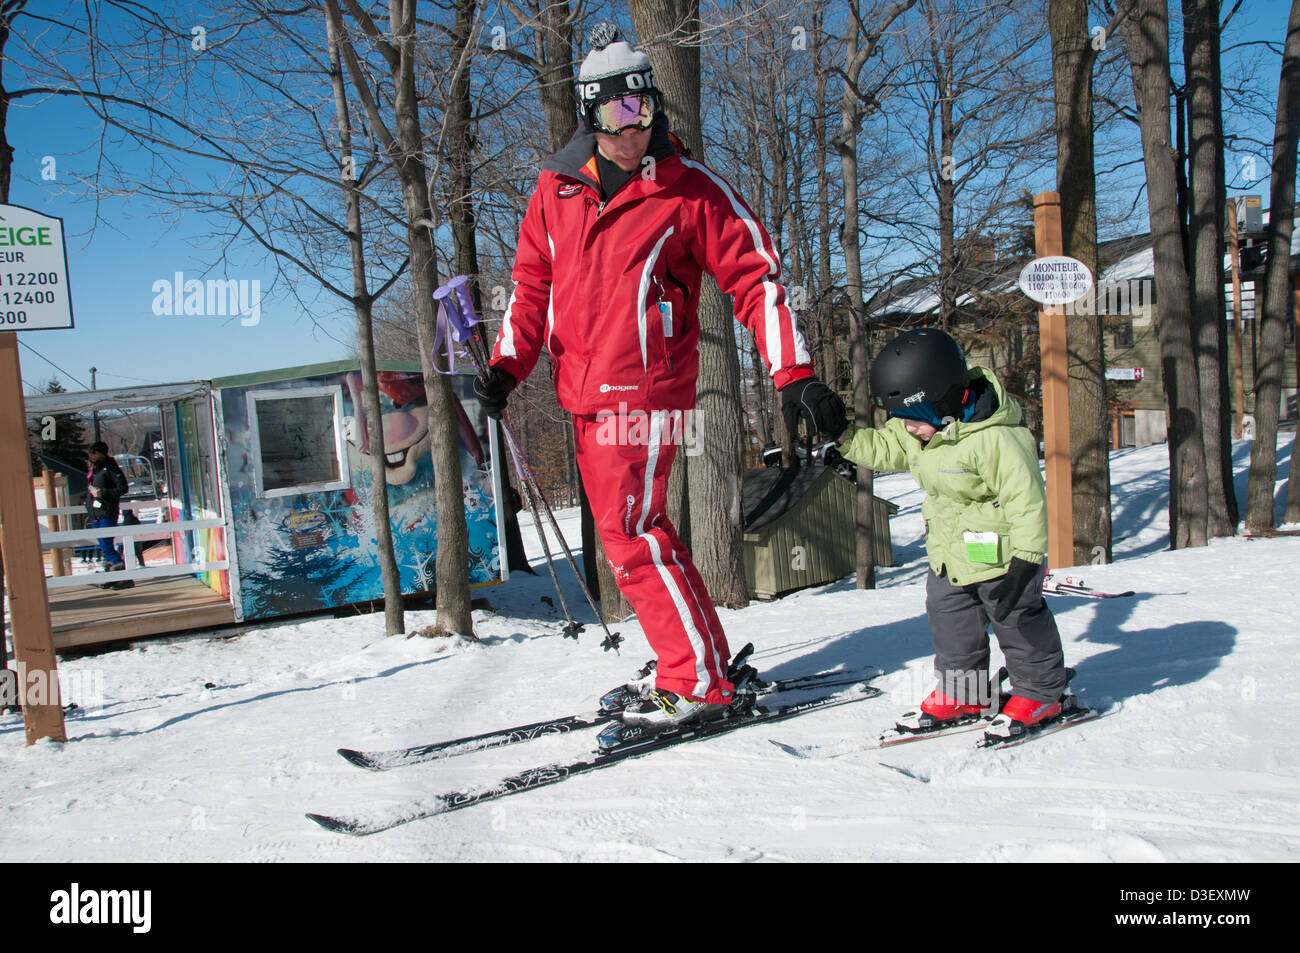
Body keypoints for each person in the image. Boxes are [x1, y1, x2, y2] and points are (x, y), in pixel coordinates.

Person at [476, 23, 844, 729]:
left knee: (632, 531)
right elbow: (530, 287)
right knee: (641, 533)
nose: (634, 127)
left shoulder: (689, 189)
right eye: (618, 112)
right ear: (591, 113)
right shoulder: (554, 190)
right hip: (580, 392)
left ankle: (698, 678)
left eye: (645, 109)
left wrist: (792, 372)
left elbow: (758, 278)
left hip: (646, 392)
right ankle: (697, 658)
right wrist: (506, 364)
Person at [832, 327, 1069, 741]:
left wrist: (1027, 560)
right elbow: (884, 448)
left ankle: (1041, 692)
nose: (907, 431)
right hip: (949, 556)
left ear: (941, 403)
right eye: (901, 422)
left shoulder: (997, 438)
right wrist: (842, 435)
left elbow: (1027, 500)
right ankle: (967, 693)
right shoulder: (923, 433)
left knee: (1017, 620)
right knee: (952, 625)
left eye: (912, 422)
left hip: (1004, 559)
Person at [85, 440, 134, 590]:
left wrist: (103, 493)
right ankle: (112, 576)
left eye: (94, 452)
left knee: (106, 545)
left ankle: (124, 577)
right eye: (90, 453)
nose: (91, 455)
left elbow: (123, 488)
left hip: (107, 512)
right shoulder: (96, 469)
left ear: (101, 453)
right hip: (96, 513)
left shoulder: (110, 468)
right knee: (103, 545)